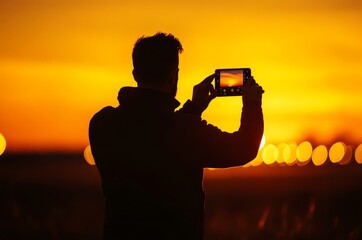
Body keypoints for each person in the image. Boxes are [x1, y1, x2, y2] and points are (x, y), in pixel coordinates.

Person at [89, 32, 264, 240]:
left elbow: (152, 134)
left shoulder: (102, 124)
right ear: (174, 75)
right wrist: (252, 104)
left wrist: (193, 109)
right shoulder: (186, 131)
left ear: (135, 74)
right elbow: (244, 147)